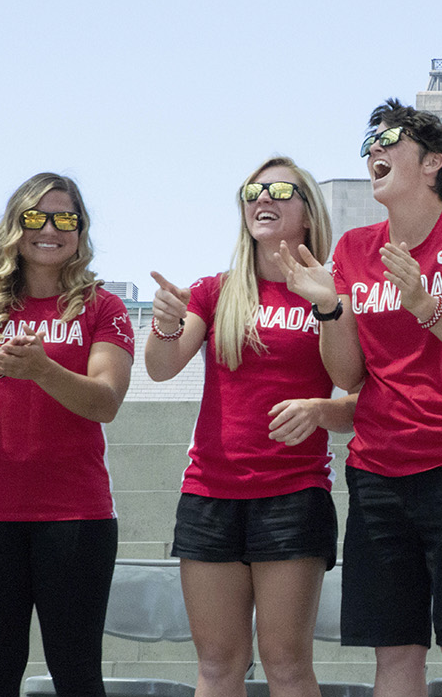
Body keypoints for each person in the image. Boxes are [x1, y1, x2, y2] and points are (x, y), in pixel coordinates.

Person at [279, 99, 442, 697]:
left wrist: (426, 305)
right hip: (379, 473)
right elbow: (349, 374)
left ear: (433, 161)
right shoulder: (356, 248)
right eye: (368, 143)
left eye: (389, 138)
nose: (374, 151)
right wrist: (329, 305)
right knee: (395, 655)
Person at [144, 157, 354, 697]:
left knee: (286, 665)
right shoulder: (215, 292)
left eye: (282, 190)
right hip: (209, 494)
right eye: (252, 191)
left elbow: (358, 391)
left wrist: (318, 409)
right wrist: (164, 327)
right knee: (217, 666)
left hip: (293, 494)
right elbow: (160, 367)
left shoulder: (333, 291)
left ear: (308, 212)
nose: (264, 198)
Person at [0, 172, 135, 697]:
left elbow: (106, 402)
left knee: (77, 676)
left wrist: (43, 370)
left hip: (77, 516)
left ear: (80, 230)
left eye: (65, 218)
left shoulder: (105, 308)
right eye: (35, 217)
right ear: (14, 227)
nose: (50, 229)